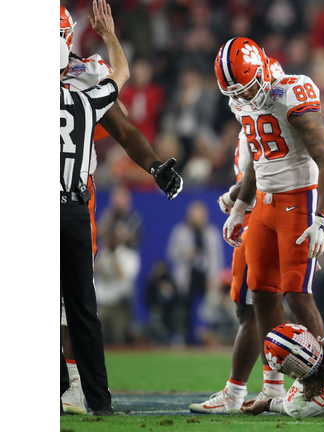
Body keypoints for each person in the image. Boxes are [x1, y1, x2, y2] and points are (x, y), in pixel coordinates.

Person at [191, 37, 324, 413]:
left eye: (248, 85)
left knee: (298, 294)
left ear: (262, 69)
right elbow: (259, 155)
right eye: (236, 91)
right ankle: (273, 387)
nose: (245, 96)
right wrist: (241, 205)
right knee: (263, 294)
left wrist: (322, 218)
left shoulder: (291, 90)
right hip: (266, 205)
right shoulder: (242, 98)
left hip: (299, 199)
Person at [60, 3, 183, 415]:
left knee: (71, 302)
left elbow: (124, 128)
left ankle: (75, 384)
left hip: (74, 191)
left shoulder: (87, 74)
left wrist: (153, 166)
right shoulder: (94, 74)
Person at [191, 59, 296, 414]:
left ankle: (263, 388)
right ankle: (262, 388)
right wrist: (237, 198)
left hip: (268, 211)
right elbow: (257, 167)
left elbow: (273, 166)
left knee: (259, 305)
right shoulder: (249, 111)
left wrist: (238, 201)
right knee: (248, 305)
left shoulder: (278, 108)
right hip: (254, 208)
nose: (246, 97)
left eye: (249, 88)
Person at [166, 201, 223, 345]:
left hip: (205, 278)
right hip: (186, 277)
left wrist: (214, 278)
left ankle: (209, 339)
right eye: (194, 215)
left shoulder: (212, 233)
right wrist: (186, 254)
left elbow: (216, 258)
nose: (197, 219)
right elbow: (171, 254)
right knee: (183, 309)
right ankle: (180, 338)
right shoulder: (180, 232)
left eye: (200, 215)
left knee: (209, 311)